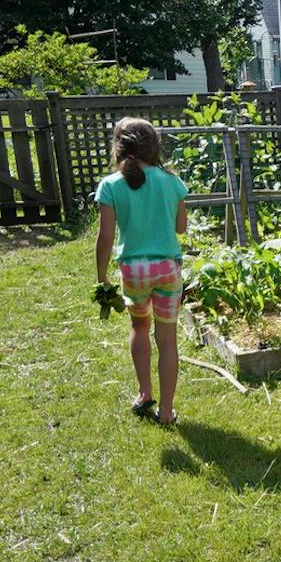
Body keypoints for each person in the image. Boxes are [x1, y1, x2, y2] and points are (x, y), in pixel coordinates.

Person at [94, 117, 188, 425]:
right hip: (168, 268)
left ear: (119, 147)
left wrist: (102, 277)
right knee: (167, 338)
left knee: (139, 327)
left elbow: (105, 238)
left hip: (133, 271)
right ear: (155, 147)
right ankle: (167, 411)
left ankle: (145, 393)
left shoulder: (110, 185)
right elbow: (181, 227)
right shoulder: (172, 182)